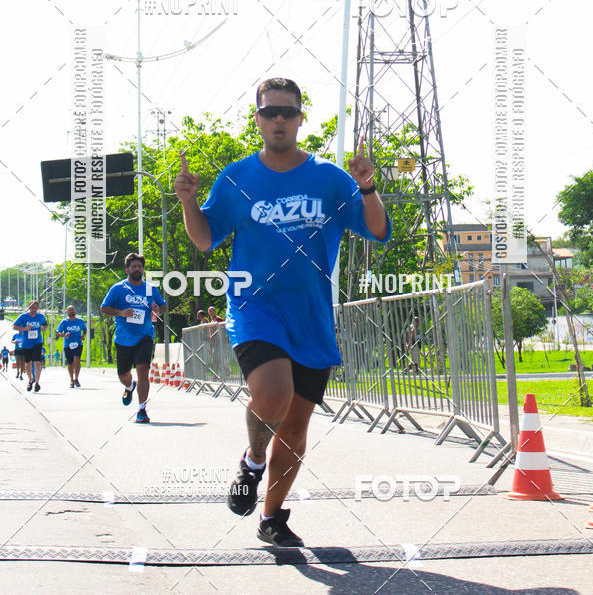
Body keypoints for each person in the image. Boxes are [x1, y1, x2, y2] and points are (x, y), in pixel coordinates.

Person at [175, 77, 390, 547]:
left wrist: (368, 186)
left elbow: (376, 230)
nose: (278, 119)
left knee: (294, 427)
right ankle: (252, 462)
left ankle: (271, 518)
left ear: (299, 119)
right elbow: (206, 238)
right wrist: (189, 201)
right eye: (269, 111)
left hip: (311, 316)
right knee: (272, 395)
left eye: (287, 112)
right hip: (255, 306)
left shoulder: (330, 178)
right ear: (257, 118)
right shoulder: (236, 178)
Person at [101, 253, 166, 423]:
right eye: (134, 267)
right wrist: (121, 312)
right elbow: (104, 308)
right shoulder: (119, 288)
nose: (137, 269)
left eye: (140, 267)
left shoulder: (150, 289)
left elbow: (163, 306)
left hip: (144, 335)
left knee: (143, 370)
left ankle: (142, 409)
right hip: (123, 337)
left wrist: (158, 309)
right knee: (123, 375)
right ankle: (130, 386)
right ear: (127, 269)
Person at [13, 301, 47, 392]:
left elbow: (45, 324)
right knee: (28, 363)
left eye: (35, 308)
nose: (34, 310)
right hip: (26, 343)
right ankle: (30, 379)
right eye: (32, 308)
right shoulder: (23, 317)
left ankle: (37, 382)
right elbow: (14, 326)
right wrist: (24, 329)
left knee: (37, 361)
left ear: (37, 308)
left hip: (37, 341)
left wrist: (44, 328)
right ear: (29, 308)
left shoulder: (40, 317)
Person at [57, 306, 87, 388]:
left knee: (77, 359)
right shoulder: (64, 322)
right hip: (68, 345)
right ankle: (71, 379)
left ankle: (76, 378)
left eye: (72, 309)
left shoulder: (80, 321)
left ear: (75, 311)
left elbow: (85, 329)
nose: (71, 311)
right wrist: (64, 335)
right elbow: (58, 332)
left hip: (78, 344)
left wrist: (83, 335)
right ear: (66, 312)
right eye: (69, 310)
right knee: (70, 363)